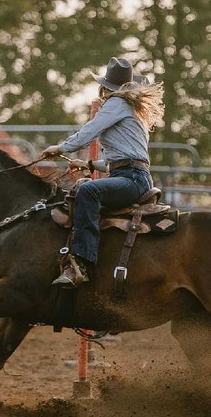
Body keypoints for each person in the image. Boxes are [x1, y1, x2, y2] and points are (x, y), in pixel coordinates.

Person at [41, 57, 164, 286]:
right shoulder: (132, 110)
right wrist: (87, 165)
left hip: (131, 179)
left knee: (88, 192)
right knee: (88, 188)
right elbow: (121, 160)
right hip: (134, 176)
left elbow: (89, 132)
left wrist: (59, 148)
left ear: (105, 86)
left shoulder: (115, 103)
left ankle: (81, 262)